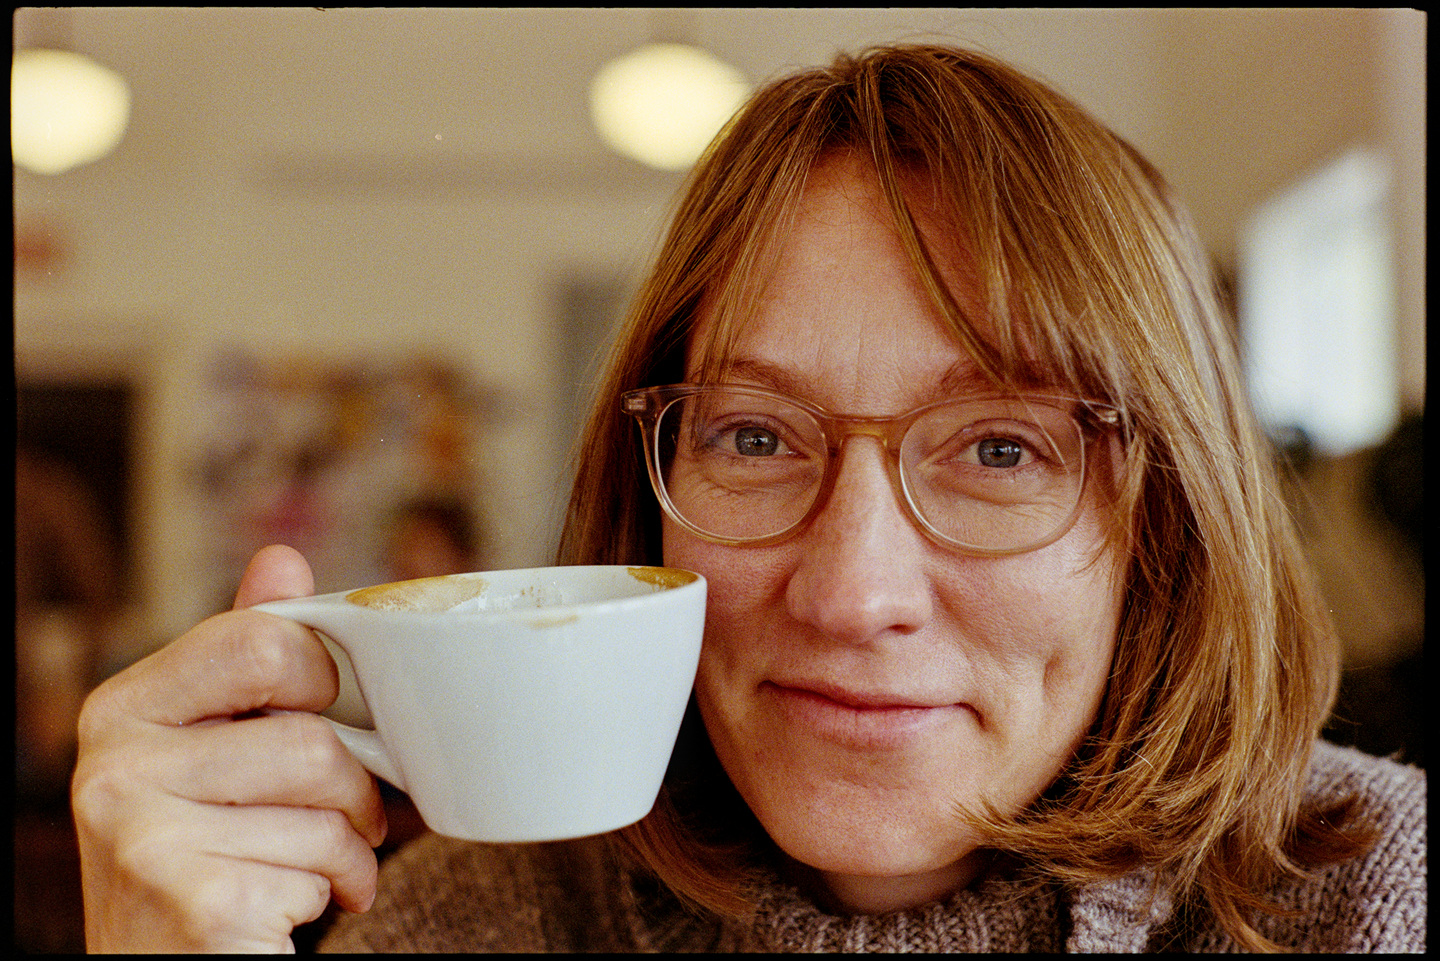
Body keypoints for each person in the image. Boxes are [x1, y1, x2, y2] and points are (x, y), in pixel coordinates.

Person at [71, 43, 1425, 953]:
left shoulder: (1380, 900)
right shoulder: (481, 916)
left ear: (1166, 516)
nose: (852, 592)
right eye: (757, 435)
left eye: (1001, 449)